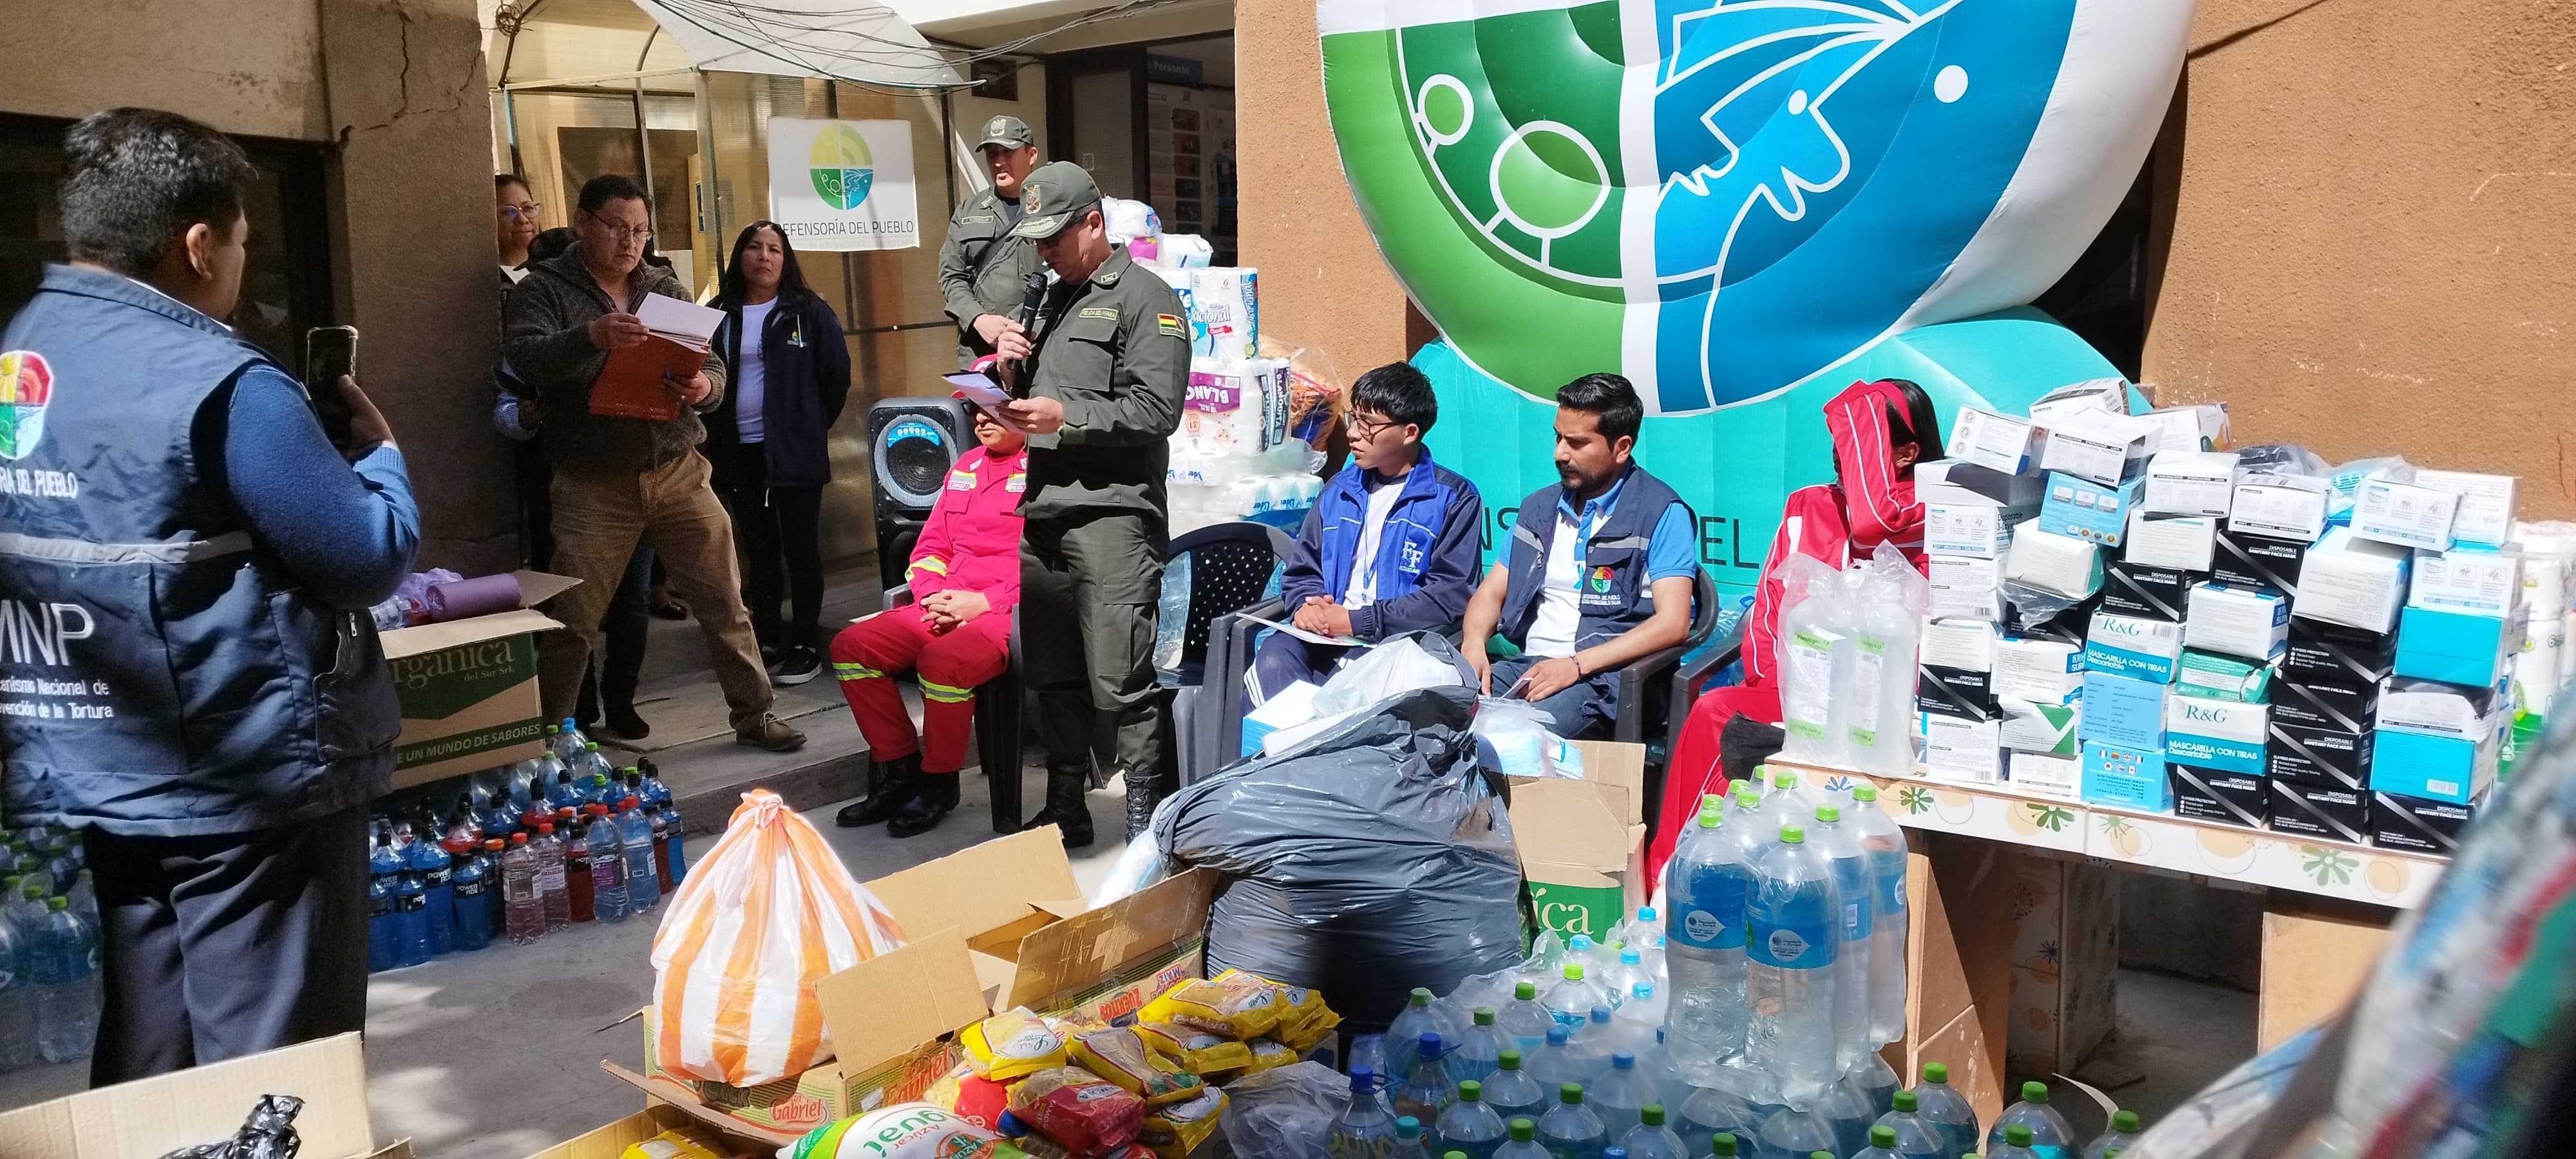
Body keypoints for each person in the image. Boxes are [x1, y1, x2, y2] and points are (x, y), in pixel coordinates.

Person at [0, 108, 417, 1080]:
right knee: (274, 1069)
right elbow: (365, 554)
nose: (239, 263)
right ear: (197, 245)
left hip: (99, 759)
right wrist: (386, 461)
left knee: (155, 1048)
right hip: (246, 773)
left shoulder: (25, 355)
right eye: (239, 241)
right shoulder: (226, 381)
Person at [502, 173, 804, 752]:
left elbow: (712, 366)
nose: (630, 242)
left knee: (724, 601)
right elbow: (525, 358)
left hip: (678, 467)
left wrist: (703, 390)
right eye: (618, 228)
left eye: (640, 230)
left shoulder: (663, 286)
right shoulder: (543, 289)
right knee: (574, 620)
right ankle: (544, 742)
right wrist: (591, 336)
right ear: (584, 223)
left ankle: (756, 714)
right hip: (593, 481)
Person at [1652, 378, 1938, 877]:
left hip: (1896, 704)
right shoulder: (1808, 505)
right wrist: (1778, 684)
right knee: (1717, 710)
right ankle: (1678, 873)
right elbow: (1768, 610)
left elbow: (1880, 526)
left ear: (1907, 453)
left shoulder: (1937, 510)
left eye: (1854, 444)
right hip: (1801, 695)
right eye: (1837, 441)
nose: (1835, 454)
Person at [990, 161, 1189, 847]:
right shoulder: (1045, 299)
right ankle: (1067, 806)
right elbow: (1038, 396)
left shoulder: (1146, 299)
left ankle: (1146, 827)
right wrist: (1008, 369)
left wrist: (1064, 419)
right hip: (1044, 512)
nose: (1043, 251)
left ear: (1094, 223)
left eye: (1054, 236)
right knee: (1053, 677)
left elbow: (1157, 409)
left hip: (1111, 514)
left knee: (1119, 681)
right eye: (1035, 238)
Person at [1460, 373, 1700, 740]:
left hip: (1610, 683)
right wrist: (1474, 643)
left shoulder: (1662, 512)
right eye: (1558, 437)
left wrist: (1575, 666)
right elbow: (1492, 592)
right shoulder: (1538, 508)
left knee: (1512, 738)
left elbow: (1673, 623)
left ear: (1621, 447)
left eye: (1577, 443)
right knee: (1434, 711)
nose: (1560, 453)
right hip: (1528, 668)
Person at [831, 406, 1027, 837]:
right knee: (851, 648)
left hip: (1006, 616)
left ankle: (940, 782)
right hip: (941, 604)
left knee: (943, 662)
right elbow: (929, 550)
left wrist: (983, 602)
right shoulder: (965, 466)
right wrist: (933, 596)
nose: (981, 419)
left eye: (995, 408)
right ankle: (900, 773)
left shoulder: (1047, 471)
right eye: (976, 410)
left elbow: (1050, 566)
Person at [1244, 361, 1482, 705]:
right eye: (1353, 418)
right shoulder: (1339, 490)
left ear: (1409, 432)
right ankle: (1285, 757)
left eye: (1368, 424)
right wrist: (1305, 604)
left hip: (1397, 644)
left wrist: (1359, 621)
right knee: (1274, 657)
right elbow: (1303, 571)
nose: (1353, 433)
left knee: (1352, 690)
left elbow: (1450, 595)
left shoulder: (1452, 498)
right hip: (1325, 636)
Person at [708, 221, 851, 687]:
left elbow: (836, 379)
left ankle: (806, 645)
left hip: (794, 455)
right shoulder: (718, 314)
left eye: (774, 249)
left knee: (802, 549)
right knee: (759, 550)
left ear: (786, 260)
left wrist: (804, 427)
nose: (764, 256)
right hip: (738, 453)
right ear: (740, 256)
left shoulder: (808, 313)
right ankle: (767, 638)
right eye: (754, 247)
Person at [938, 115, 1047, 369]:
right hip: (980, 352)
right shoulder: (969, 210)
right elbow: (951, 275)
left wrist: (1017, 324)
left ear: (1031, 155)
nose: (998, 162)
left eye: (1007, 152)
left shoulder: (1053, 206)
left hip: (1037, 347)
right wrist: (978, 318)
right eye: (992, 153)